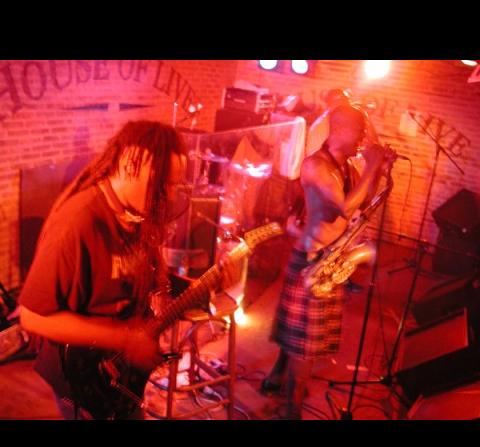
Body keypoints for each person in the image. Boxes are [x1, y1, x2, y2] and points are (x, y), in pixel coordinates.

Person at [19, 120, 239, 419]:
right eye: (161, 183)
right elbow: (32, 317)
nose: (169, 195)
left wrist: (203, 286)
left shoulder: (134, 215)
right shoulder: (77, 223)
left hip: (123, 373)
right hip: (82, 377)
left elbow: (146, 277)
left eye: (174, 184)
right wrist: (123, 339)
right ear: (128, 165)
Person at [260, 104, 396, 419]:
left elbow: (364, 200)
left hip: (330, 261)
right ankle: (291, 410)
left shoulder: (345, 167)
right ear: (341, 130)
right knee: (303, 347)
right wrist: (372, 164)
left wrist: (379, 171)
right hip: (311, 262)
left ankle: (277, 380)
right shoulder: (315, 166)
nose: (364, 137)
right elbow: (345, 208)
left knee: (299, 340)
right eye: (360, 131)